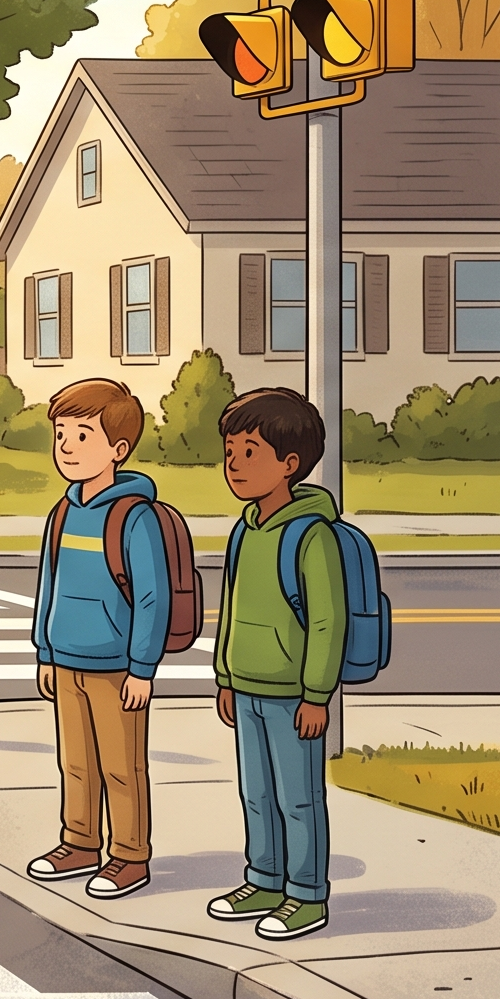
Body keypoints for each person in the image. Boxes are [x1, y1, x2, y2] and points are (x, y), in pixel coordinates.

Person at [25, 379, 170, 901]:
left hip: (115, 667)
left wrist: (142, 668)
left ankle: (130, 856)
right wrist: (45, 650)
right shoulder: (63, 513)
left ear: (118, 449)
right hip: (66, 661)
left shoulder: (134, 516)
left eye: (82, 435)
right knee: (76, 763)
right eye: (61, 434)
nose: (66, 446)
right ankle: (80, 843)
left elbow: (153, 597)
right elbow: (50, 582)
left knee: (122, 766)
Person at [209, 386, 343, 942]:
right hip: (246, 688)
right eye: (230, 452)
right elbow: (231, 606)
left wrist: (317, 694)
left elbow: (328, 622)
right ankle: (264, 880)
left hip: (293, 695)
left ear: (290, 464)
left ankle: (306, 895)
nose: (235, 464)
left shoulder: (311, 535)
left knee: (299, 797)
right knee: (257, 793)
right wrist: (224, 676)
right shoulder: (244, 530)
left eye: (250, 452)